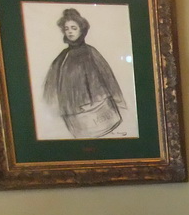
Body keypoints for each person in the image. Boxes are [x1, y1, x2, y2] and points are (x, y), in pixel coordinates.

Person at [42, 8, 127, 138]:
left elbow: (108, 79)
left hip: (100, 113)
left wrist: (118, 102)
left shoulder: (91, 53)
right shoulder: (62, 58)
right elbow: (51, 90)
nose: (70, 31)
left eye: (73, 28)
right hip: (74, 118)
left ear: (82, 30)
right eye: (67, 28)